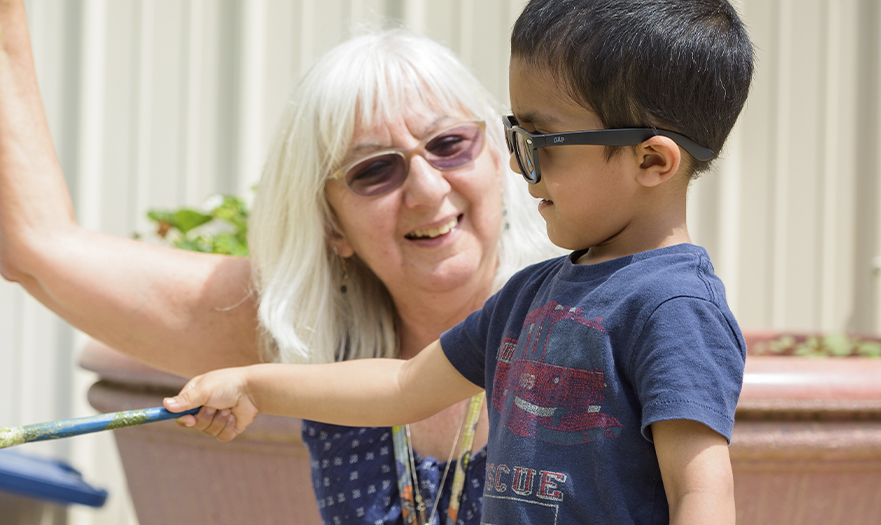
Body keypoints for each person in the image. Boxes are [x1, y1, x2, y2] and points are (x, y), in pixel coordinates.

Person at [164, 0, 755, 523]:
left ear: (652, 161)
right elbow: (400, 385)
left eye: (540, 143)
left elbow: (700, 491)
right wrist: (252, 385)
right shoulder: (531, 296)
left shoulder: (675, 311)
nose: (523, 168)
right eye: (514, 137)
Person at [0, 1, 558, 523]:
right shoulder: (317, 336)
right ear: (333, 227)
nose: (427, 189)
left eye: (449, 144)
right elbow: (40, 253)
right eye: (373, 171)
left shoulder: (582, 311)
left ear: (497, 154)